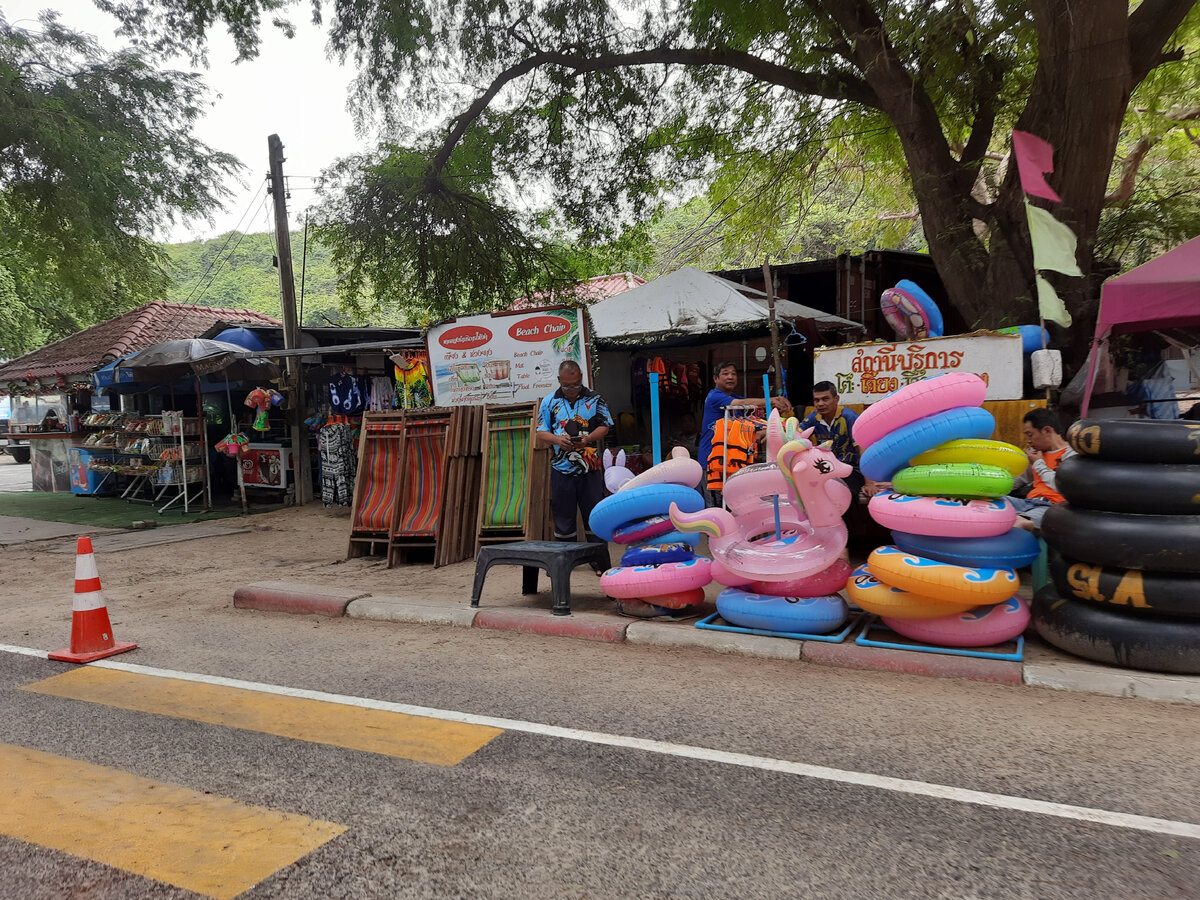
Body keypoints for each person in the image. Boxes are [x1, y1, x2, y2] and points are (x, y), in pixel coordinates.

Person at [536, 360, 613, 542]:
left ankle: (598, 560)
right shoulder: (549, 402)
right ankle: (566, 560)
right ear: (558, 380)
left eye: (576, 385)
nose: (572, 389)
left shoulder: (595, 399)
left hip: (591, 467)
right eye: (566, 386)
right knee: (563, 516)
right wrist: (557, 440)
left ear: (581, 378)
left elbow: (605, 427)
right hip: (561, 469)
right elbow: (540, 431)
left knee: (594, 513)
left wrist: (587, 439)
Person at [698, 361, 787, 504]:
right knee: (714, 504)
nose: (730, 377)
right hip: (711, 459)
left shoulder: (737, 398)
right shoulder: (715, 396)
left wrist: (772, 409)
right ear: (716, 379)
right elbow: (738, 404)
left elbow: (750, 409)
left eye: (733, 374)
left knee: (733, 502)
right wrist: (771, 400)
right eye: (725, 374)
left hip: (730, 459)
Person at [1006, 408, 1076, 531]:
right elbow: (1017, 480)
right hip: (1028, 502)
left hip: (1053, 506)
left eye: (1030, 435)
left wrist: (1038, 464)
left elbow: (1063, 486)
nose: (1028, 441)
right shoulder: (1037, 454)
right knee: (982, 503)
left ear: (1047, 430)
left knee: (1015, 524)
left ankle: (1023, 522)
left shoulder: (1072, 454)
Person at [800, 382, 865, 504]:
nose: (820, 404)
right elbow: (796, 434)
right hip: (826, 470)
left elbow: (862, 448)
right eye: (816, 400)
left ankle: (851, 524)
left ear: (836, 399)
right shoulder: (813, 418)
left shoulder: (849, 417)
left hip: (851, 470)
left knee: (846, 493)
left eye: (825, 399)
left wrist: (869, 482)